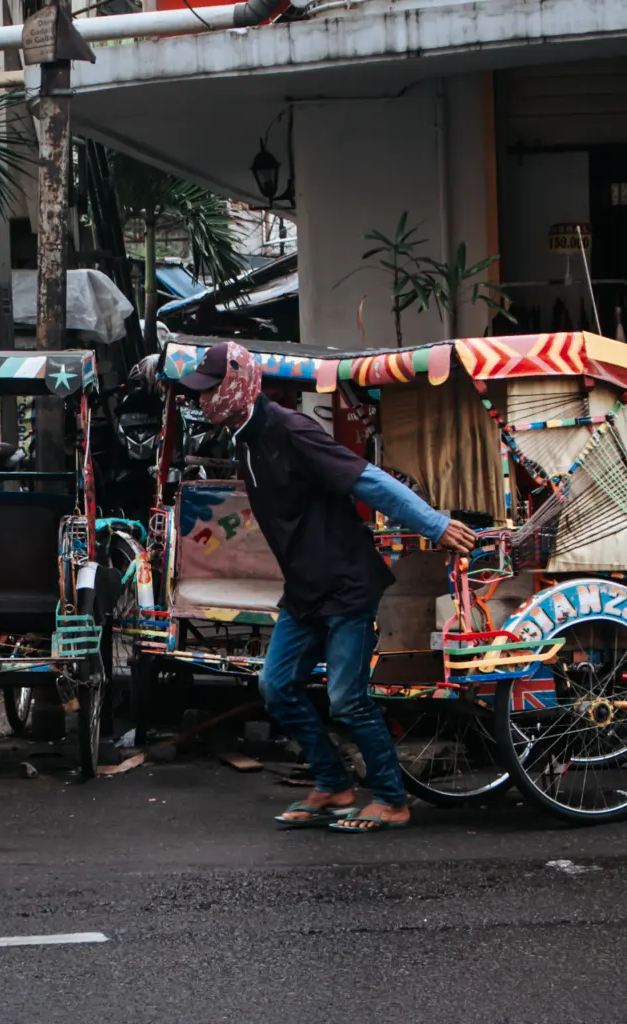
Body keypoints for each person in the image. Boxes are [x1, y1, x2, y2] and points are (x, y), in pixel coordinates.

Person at [178, 342, 475, 834]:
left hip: (346, 582)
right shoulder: (244, 439)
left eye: (210, 390)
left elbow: (369, 481)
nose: (203, 401)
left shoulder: (292, 431)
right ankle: (334, 784)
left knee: (347, 699)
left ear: (235, 385)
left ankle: (390, 798)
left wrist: (434, 524)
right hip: (305, 588)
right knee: (275, 687)